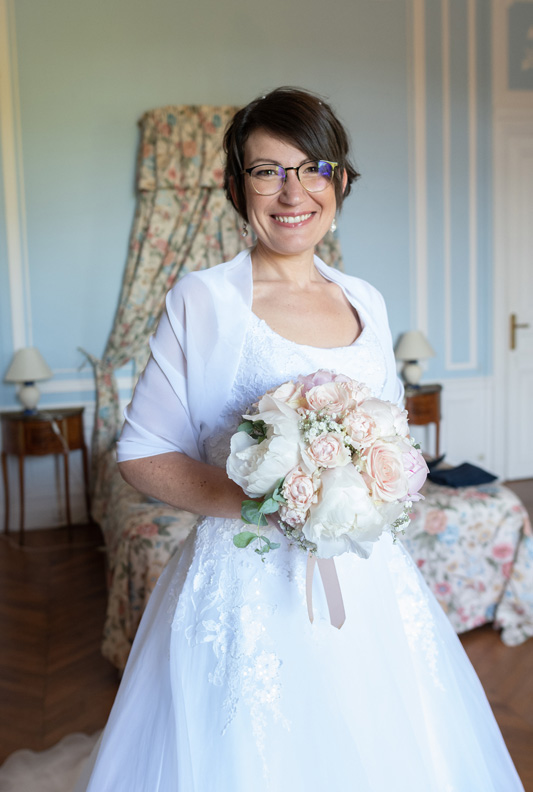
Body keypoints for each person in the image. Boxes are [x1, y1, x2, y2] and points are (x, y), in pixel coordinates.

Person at [75, 87, 523, 791]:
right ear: (236, 186)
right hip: (245, 587)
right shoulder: (204, 299)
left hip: (368, 581)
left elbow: (393, 434)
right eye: (267, 171)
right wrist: (272, 503)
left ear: (338, 181)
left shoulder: (366, 299)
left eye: (313, 168)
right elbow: (140, 454)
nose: (293, 192)